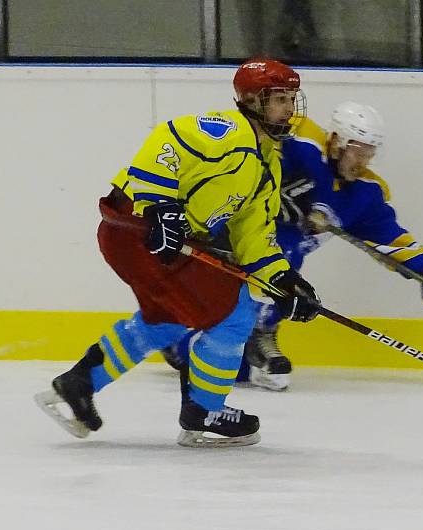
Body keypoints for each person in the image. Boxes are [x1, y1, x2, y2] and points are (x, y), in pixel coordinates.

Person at [34, 58, 320, 448]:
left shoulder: (267, 164)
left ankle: (78, 382)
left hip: (150, 243)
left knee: (168, 319)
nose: (289, 108)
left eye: (291, 99)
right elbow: (168, 139)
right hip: (138, 230)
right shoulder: (229, 132)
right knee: (234, 317)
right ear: (253, 101)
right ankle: (204, 410)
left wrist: (284, 280)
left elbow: (254, 237)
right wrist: (160, 207)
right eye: (279, 99)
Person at [163, 101, 423, 391]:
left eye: (370, 153)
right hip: (225, 241)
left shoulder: (364, 194)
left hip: (270, 268)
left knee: (232, 355)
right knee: (280, 250)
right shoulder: (302, 148)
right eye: (357, 150)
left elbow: (389, 237)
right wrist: (276, 193)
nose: (363, 161)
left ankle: (218, 342)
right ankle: (229, 336)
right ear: (336, 142)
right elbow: (259, 153)